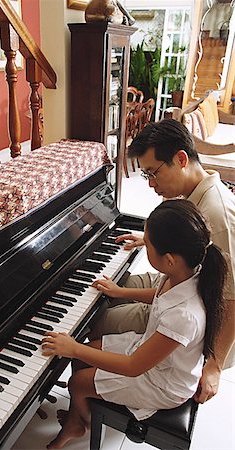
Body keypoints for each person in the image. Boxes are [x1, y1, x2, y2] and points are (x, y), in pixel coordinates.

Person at [42, 199, 227, 450]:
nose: (144, 245)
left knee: (77, 381)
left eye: (147, 243)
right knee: (80, 361)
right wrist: (119, 292)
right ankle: (80, 415)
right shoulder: (186, 272)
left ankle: (78, 422)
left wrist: (73, 347)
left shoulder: (185, 315)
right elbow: (160, 296)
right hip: (148, 352)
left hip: (161, 383)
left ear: (170, 259)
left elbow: (132, 367)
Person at [89, 119, 235, 404]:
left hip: (181, 309)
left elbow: (232, 297)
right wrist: (150, 239)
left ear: (181, 159)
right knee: (113, 285)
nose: (152, 184)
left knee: (96, 321)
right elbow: (189, 236)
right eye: (146, 176)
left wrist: (214, 365)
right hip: (169, 285)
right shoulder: (195, 194)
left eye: (153, 173)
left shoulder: (218, 215)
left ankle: (94, 392)